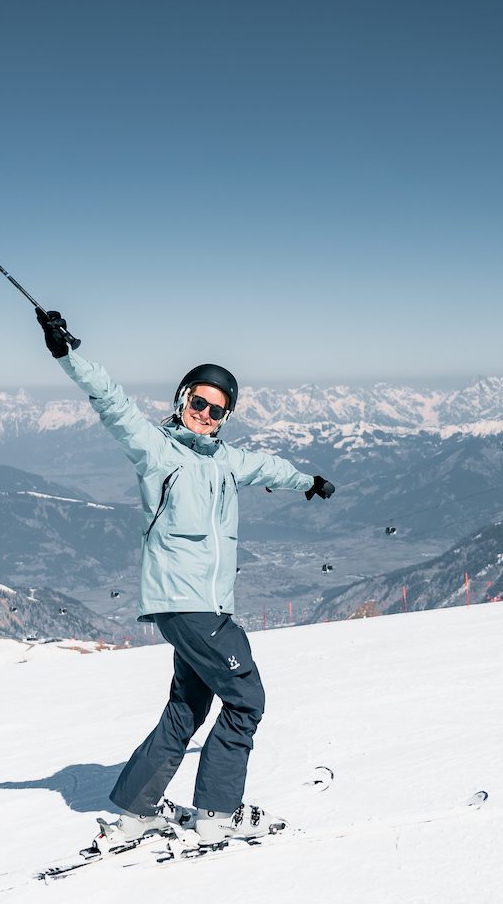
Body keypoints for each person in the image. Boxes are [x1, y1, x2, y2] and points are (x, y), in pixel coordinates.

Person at [36, 307, 335, 848]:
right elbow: (112, 404)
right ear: (181, 401)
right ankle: (219, 814)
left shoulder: (224, 461)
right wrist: (68, 352)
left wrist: (307, 480)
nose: (207, 414)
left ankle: (135, 810)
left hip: (204, 606)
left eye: (218, 410)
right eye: (199, 402)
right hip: (186, 601)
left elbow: (267, 466)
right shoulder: (157, 451)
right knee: (246, 700)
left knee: (189, 706)